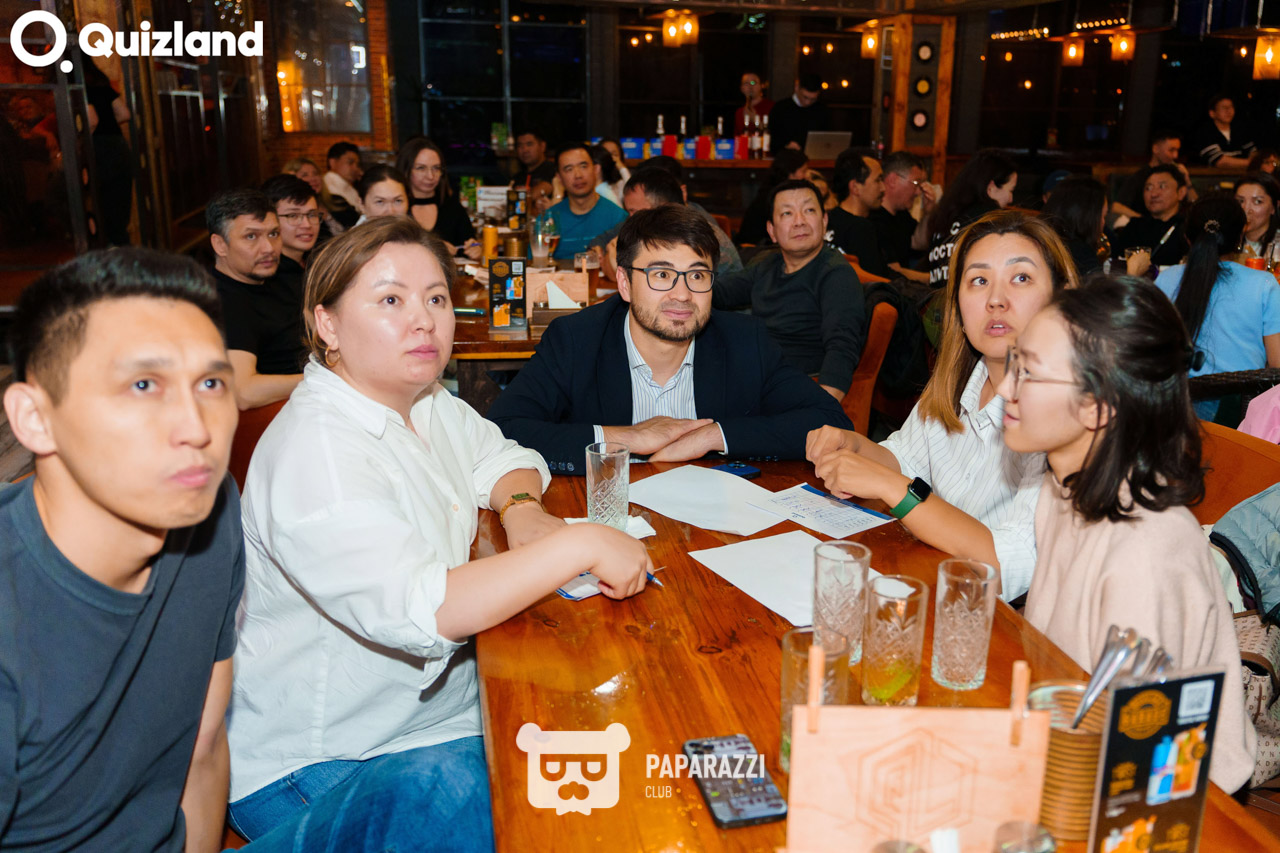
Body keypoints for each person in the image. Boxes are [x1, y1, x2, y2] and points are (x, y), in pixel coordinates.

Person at [227, 217, 652, 847]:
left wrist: (524, 512)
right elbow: (422, 610)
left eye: (435, 298)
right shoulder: (317, 451)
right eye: (390, 300)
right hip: (323, 762)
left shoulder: (424, 400)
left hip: (436, 717)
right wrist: (580, 541)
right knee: (560, 806)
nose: (423, 320)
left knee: (610, 738)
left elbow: (503, 456)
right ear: (328, 325)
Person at [0, 248, 242, 850]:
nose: (198, 427)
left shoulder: (207, 509)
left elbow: (203, 748)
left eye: (211, 383)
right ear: (35, 418)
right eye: (143, 385)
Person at [1003, 275, 1257, 793]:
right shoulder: (1062, 490)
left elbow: (1140, 764)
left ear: (1098, 406)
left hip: (1168, 801)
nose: (1007, 388)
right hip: (1067, 748)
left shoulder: (1146, 552)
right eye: (1014, 363)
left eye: (1028, 372)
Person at [805, 210, 1078, 601]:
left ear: (1061, 297)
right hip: (936, 583)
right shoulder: (956, 383)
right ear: (959, 309)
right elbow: (905, 460)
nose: (996, 300)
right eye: (979, 280)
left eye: (1020, 278)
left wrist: (891, 485)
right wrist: (854, 446)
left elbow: (1003, 568)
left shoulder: (1064, 417)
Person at [487, 205, 852, 470]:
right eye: (661, 275)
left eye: (697, 275)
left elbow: (830, 421)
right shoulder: (576, 340)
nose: (682, 294)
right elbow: (504, 430)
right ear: (625, 283)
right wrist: (627, 438)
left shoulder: (744, 342)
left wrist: (713, 436)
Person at [713, 179, 866, 401]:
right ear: (772, 231)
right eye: (787, 213)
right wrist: (685, 283)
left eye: (809, 210)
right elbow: (721, 293)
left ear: (824, 221)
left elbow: (842, 349)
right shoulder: (767, 264)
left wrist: (821, 410)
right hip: (753, 374)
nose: (799, 221)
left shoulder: (836, 275)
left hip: (794, 387)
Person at [1154, 194, 1280, 420]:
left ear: (1188, 238)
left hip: (1174, 411)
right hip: (1238, 416)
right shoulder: (1264, 284)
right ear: (1240, 236)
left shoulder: (1166, 278)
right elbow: (1277, 365)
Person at [206, 188, 304, 410]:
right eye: (251, 236)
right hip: (283, 413)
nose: (269, 248)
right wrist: (323, 380)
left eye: (273, 234)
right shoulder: (222, 303)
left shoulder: (282, 274)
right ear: (220, 245)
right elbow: (244, 392)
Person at [592, 168, 742, 279]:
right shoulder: (664, 231)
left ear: (662, 208)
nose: (631, 219)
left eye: (635, 212)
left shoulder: (691, 236)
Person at [927, 149, 1017, 287]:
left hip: (935, 297)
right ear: (991, 187)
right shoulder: (990, 218)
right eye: (1011, 190)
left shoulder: (945, 212)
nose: (1011, 199)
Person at [1042, 176, 1149, 280]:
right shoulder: (1080, 253)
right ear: (1088, 217)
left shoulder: (1043, 239)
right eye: (1103, 216)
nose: (1103, 223)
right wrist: (1133, 272)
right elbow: (1098, 292)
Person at [396, 136, 479, 258]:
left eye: (436, 168)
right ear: (406, 170)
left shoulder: (452, 207)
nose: (430, 176)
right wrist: (434, 248)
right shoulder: (396, 207)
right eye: (421, 168)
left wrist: (475, 248)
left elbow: (470, 243)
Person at [545, 143, 626, 259]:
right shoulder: (548, 220)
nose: (578, 175)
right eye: (569, 169)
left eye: (583, 166)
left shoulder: (618, 217)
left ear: (595, 169)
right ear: (559, 178)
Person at [83, 56, 133, 246]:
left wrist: (80, 141)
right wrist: (108, 125)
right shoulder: (100, 84)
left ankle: (111, 259)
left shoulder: (78, 86)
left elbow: (92, 120)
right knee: (118, 215)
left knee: (101, 214)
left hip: (99, 150)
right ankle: (126, 258)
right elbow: (124, 114)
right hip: (118, 146)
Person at [825, 147, 892, 279]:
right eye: (878, 180)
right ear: (855, 187)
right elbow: (876, 282)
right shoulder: (861, 228)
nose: (883, 188)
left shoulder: (826, 219)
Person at [1111, 165, 1190, 269]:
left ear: (1181, 192)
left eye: (1162, 186)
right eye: (1148, 188)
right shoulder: (1134, 227)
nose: (1154, 194)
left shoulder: (1188, 228)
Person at [875, 151, 935, 284]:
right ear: (893, 180)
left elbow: (919, 243)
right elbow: (893, 271)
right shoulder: (875, 219)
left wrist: (928, 212)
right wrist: (936, 278)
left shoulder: (901, 213)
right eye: (916, 183)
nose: (918, 192)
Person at [1111, 130, 1197, 221]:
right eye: (1171, 150)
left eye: (1177, 150)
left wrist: (1187, 180)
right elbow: (1116, 207)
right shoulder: (1139, 177)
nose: (1175, 156)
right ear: (1155, 149)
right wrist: (1144, 221)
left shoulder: (1176, 175)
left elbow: (1196, 207)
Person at [735, 147, 809, 245]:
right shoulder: (777, 196)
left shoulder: (770, 189)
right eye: (803, 171)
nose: (806, 176)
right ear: (790, 173)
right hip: (759, 248)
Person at [261, 174, 320, 292]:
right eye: (293, 215)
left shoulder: (318, 261)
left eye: (312, 215)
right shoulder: (268, 275)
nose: (307, 224)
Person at [767, 72, 831, 152]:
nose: (808, 102)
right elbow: (771, 139)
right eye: (805, 97)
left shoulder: (822, 110)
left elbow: (828, 138)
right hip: (786, 156)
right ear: (797, 88)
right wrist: (786, 145)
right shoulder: (780, 108)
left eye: (813, 99)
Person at [284, 156, 343, 238]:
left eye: (316, 174)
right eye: (305, 175)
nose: (313, 178)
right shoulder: (294, 214)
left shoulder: (338, 200)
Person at [1194, 94, 1256, 169]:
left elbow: (1253, 153)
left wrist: (1255, 160)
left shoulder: (1240, 130)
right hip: (1213, 175)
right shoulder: (1205, 133)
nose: (1228, 111)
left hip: (1242, 174)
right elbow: (1218, 161)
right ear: (1212, 113)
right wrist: (1252, 163)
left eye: (1231, 107)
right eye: (1224, 108)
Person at [1234, 172, 1280, 258]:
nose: (1246, 209)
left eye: (1257, 201)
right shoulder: (1225, 242)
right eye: (1240, 201)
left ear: (1274, 207)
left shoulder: (1277, 245)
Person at [322, 142, 364, 229]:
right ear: (333, 162)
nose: (355, 168)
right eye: (350, 163)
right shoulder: (329, 187)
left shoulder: (350, 186)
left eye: (357, 164)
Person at [734, 71, 774, 136]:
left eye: (753, 82)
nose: (750, 86)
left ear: (762, 86)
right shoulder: (739, 112)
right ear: (741, 88)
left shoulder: (772, 107)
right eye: (746, 83)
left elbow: (775, 135)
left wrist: (755, 120)